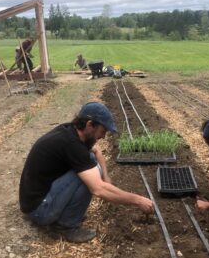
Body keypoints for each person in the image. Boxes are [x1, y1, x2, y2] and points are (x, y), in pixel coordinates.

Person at [19, 102, 154, 243]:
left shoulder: (71, 131)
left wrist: (106, 176)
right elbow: (98, 190)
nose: (103, 136)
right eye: (103, 131)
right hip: (40, 210)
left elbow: (96, 152)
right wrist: (138, 200)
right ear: (90, 125)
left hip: (36, 199)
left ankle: (65, 214)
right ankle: (65, 226)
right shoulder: (71, 144)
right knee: (88, 178)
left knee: (91, 162)